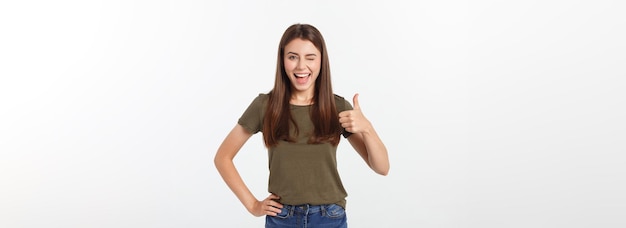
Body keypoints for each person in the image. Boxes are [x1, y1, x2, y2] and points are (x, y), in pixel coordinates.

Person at [214, 23, 389, 228]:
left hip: (329, 217)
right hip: (282, 218)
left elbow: (382, 167)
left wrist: (367, 128)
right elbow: (223, 157)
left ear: (321, 61)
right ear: (282, 60)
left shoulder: (338, 107)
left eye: (310, 57)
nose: (301, 66)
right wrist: (253, 205)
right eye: (292, 57)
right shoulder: (265, 106)